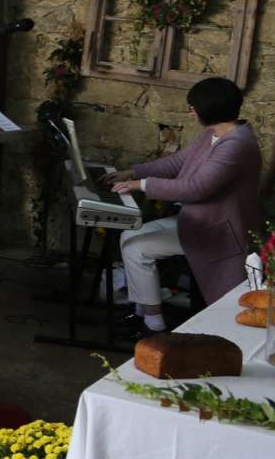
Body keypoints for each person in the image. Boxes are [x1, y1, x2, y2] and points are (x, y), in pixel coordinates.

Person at [104, 77, 262, 331]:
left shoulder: (237, 145)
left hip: (217, 231)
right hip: (197, 221)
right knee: (129, 236)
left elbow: (195, 188)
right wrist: (132, 172)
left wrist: (141, 185)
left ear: (206, 110)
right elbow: (177, 163)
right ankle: (142, 312)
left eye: (192, 107)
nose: (191, 112)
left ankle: (153, 326)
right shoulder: (213, 134)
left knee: (136, 248)